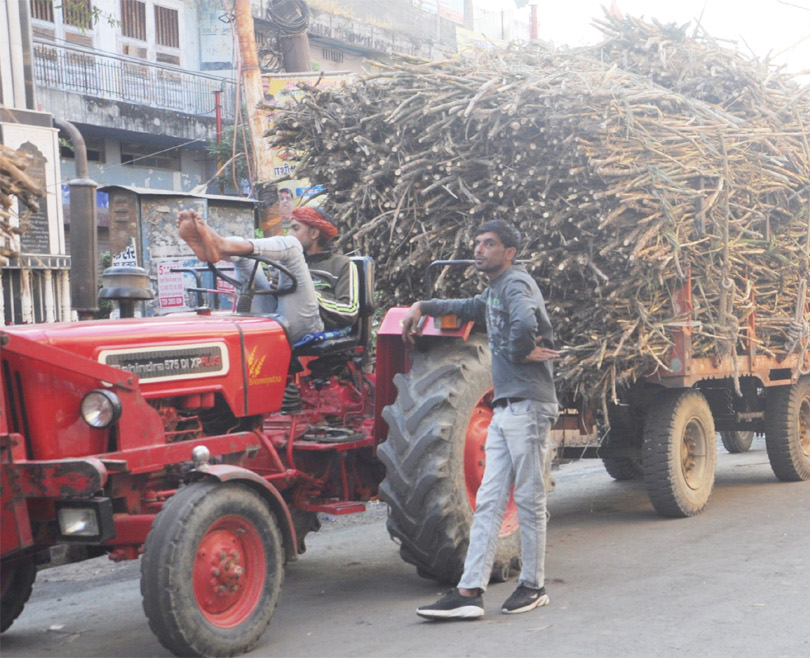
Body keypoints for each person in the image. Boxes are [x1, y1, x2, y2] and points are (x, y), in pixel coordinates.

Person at [404, 219, 561, 621]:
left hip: (528, 406)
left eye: (488, 244)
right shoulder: (493, 291)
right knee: (489, 501)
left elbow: (526, 322)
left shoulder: (515, 284)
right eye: (476, 242)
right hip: (507, 408)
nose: (478, 249)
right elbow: (465, 308)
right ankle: (470, 591)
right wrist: (423, 307)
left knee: (528, 497)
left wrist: (518, 353)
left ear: (508, 253)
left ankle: (533, 585)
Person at [177, 207, 360, 341]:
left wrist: (310, 293)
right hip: (276, 317)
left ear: (314, 233)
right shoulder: (291, 262)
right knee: (245, 259)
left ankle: (223, 245)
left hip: (310, 325)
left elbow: (350, 311)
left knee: (291, 246)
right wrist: (278, 289)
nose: (290, 233)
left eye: (295, 228)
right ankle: (219, 249)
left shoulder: (342, 264)